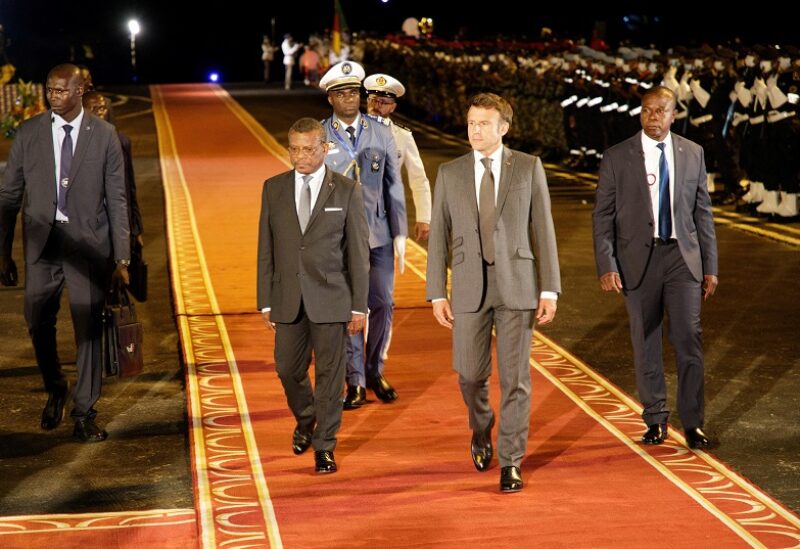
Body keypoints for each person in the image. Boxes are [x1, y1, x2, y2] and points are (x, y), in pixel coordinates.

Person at [426, 93, 561, 493]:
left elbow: (544, 230)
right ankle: (481, 427)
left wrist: (549, 288)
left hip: (518, 286)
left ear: (504, 127)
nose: (475, 130)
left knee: (516, 379)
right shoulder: (450, 173)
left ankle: (511, 460)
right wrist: (437, 291)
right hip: (468, 288)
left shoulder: (528, 167)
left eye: (484, 124)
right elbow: (438, 240)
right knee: (469, 376)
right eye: (471, 123)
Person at [0, 64, 130, 442]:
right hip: (42, 247)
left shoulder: (105, 136)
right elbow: (9, 196)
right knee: (37, 321)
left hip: (89, 248)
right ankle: (57, 385)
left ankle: (84, 412)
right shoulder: (29, 133)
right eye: (49, 90)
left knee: (87, 329)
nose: (52, 96)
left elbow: (117, 199)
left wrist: (121, 258)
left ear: (80, 90)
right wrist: (3, 252)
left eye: (60, 90)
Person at [592, 85, 718, 450]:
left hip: (683, 259)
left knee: (688, 340)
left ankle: (693, 424)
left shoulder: (692, 153)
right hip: (637, 262)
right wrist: (606, 263)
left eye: (661, 111)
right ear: (640, 112)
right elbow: (602, 216)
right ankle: (656, 419)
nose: (653, 117)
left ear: (673, 114)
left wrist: (710, 266)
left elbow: (702, 214)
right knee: (644, 340)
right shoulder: (617, 156)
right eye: (647, 110)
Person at [257, 117, 369, 474]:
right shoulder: (273, 188)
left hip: (332, 298)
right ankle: (307, 419)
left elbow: (357, 254)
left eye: (308, 149)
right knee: (287, 369)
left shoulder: (347, 190)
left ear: (324, 149)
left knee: (331, 376)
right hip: (287, 297)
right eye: (294, 149)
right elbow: (266, 248)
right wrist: (266, 299)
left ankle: (325, 445)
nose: (300, 156)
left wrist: (358, 306)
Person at [318, 61, 407, 409]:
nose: (349, 98)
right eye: (341, 93)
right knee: (348, 308)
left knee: (383, 302)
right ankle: (354, 380)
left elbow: (393, 184)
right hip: (339, 237)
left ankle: (374, 370)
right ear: (331, 99)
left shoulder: (381, 131)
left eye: (354, 92)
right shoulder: (320, 135)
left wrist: (400, 232)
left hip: (379, 232)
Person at [364, 73, 431, 241]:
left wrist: (424, 217)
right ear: (367, 101)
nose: (377, 105)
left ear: (392, 107)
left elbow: (419, 179)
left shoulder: (403, 136)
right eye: (373, 99)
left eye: (383, 102)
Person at [82, 91, 144, 250]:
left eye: (103, 108)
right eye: (94, 108)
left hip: (117, 226)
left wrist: (136, 228)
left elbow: (129, 188)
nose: (100, 112)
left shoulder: (121, 142)